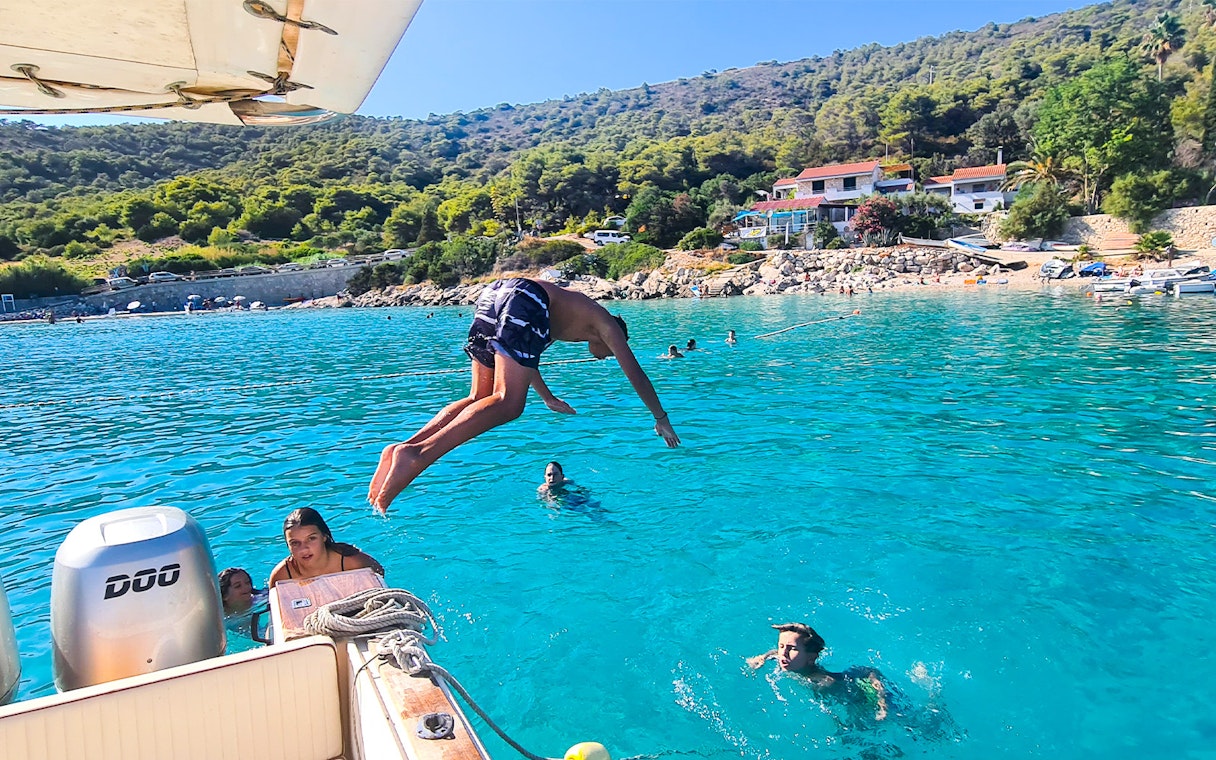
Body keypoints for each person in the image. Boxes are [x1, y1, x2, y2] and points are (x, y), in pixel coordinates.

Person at [368, 277, 680, 512]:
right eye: (614, 351)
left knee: (480, 396)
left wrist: (547, 398)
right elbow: (636, 374)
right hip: (526, 297)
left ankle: (402, 448)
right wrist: (661, 418)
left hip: (495, 294)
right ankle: (417, 457)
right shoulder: (607, 325)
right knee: (508, 404)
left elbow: (526, 361)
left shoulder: (564, 322)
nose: (610, 355)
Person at [748, 622, 890, 721]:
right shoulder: (788, 659)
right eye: (781, 646)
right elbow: (776, 653)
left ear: (811, 658)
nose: (783, 654)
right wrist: (762, 657)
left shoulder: (825, 683)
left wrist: (881, 702)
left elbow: (850, 704)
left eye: (791, 648)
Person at [268, 508, 383, 587]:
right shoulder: (282, 575)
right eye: (295, 543)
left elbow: (380, 575)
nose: (304, 549)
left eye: (311, 539)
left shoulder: (350, 562)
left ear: (324, 536)